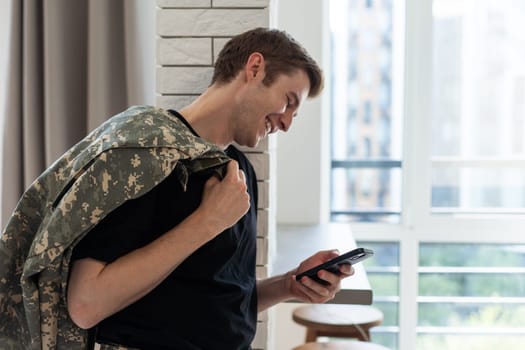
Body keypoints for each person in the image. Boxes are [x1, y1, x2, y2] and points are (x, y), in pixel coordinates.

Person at [0, 27, 354, 349]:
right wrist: (206, 223)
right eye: (289, 102)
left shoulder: (236, 173)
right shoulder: (145, 157)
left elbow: (215, 301)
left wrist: (288, 285)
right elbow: (85, 304)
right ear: (255, 68)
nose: (287, 123)